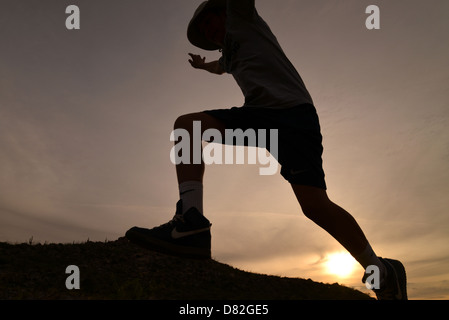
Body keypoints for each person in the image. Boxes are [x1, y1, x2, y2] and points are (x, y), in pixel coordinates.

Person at [126, 0, 407, 300]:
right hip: (260, 117)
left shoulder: (242, 17)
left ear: (224, 13)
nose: (209, 32)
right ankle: (191, 222)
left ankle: (382, 272)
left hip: (293, 115)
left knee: (314, 206)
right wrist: (202, 65)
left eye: (209, 22)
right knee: (188, 127)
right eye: (204, 31)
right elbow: (220, 67)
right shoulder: (228, 54)